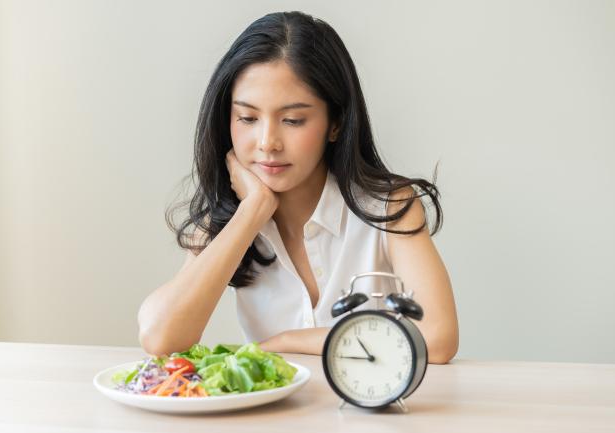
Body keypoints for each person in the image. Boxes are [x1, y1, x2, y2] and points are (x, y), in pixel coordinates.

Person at [138, 11, 459, 364]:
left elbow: (438, 338)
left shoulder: (388, 206)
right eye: (247, 118)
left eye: (292, 120)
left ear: (334, 124)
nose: (267, 142)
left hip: (373, 416)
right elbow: (160, 337)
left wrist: (290, 341)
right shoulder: (225, 221)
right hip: (273, 418)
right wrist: (252, 211)